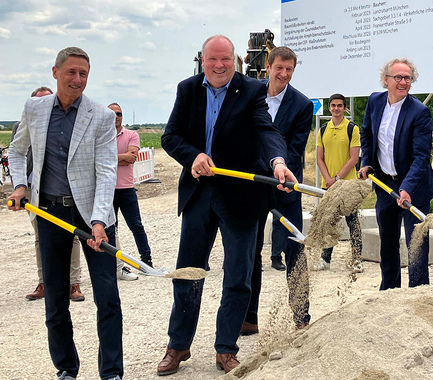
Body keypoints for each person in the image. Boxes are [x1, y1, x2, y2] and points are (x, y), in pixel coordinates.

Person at [157, 35, 294, 376]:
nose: (219, 66)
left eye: (226, 60)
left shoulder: (250, 90)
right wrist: (193, 156)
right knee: (188, 273)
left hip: (242, 198)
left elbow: (267, 131)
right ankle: (178, 346)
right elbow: (170, 137)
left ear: (236, 61)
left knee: (238, 275)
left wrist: (277, 161)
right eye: (213, 60)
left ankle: (226, 348)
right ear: (202, 60)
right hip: (199, 195)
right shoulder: (187, 89)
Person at [7, 47, 122, 380]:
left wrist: (100, 220)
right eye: (71, 72)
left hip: (92, 218)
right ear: (55, 72)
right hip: (50, 215)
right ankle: (66, 369)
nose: (77, 80)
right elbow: (17, 151)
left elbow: (106, 171)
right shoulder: (35, 108)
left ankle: (112, 372)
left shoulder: (100, 116)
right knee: (55, 300)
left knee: (108, 299)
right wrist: (19, 187)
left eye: (83, 74)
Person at [242, 46, 313, 336]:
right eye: (279, 68)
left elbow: (295, 149)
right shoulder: (249, 93)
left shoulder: (302, 104)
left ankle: (301, 313)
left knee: (295, 246)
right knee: (250, 250)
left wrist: (280, 170)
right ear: (268, 66)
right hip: (251, 184)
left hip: (285, 184)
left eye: (289, 70)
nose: (283, 74)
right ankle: (248, 317)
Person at [359, 58, 433, 290]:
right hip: (385, 186)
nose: (403, 82)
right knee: (388, 243)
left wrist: (407, 188)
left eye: (407, 78)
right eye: (398, 77)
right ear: (386, 80)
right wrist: (367, 163)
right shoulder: (375, 101)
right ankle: (389, 292)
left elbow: (422, 156)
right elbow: (367, 134)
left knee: (417, 245)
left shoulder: (420, 112)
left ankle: (419, 293)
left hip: (415, 189)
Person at [11, 86, 85, 301]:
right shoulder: (22, 125)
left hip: (62, 191)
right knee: (40, 238)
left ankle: (74, 283)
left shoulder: (65, 123)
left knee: (72, 237)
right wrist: (20, 186)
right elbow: (19, 154)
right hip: (35, 191)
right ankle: (44, 281)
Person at [314, 93, 363, 273]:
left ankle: (357, 259)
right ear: (329, 108)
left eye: (339, 106)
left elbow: (354, 158)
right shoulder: (323, 130)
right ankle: (325, 259)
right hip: (329, 185)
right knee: (329, 223)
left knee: (353, 222)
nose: (336, 109)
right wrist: (328, 179)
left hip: (348, 184)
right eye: (333, 105)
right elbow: (319, 158)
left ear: (344, 108)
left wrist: (337, 179)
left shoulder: (352, 129)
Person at [109, 102, 153, 281]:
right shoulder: (101, 136)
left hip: (126, 189)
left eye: (118, 114)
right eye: (112, 114)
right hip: (107, 190)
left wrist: (108, 158)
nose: (116, 117)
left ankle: (146, 261)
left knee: (137, 226)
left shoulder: (131, 135)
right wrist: (120, 157)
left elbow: (131, 158)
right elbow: (97, 159)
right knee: (111, 230)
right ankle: (114, 265)